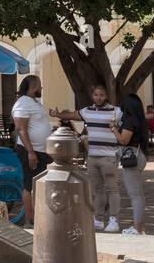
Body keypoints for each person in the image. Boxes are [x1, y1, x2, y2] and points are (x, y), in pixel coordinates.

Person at [52, 84, 121, 232]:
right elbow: (72, 115)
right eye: (96, 95)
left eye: (101, 95)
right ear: (92, 96)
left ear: (106, 96)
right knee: (97, 190)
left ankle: (114, 220)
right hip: (93, 157)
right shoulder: (87, 111)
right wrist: (58, 115)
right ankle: (98, 219)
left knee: (112, 189)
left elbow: (131, 118)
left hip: (109, 157)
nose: (98, 97)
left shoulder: (116, 111)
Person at [11, 75, 52, 227]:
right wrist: (30, 152)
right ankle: (31, 220)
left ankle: (42, 217)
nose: (41, 88)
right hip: (31, 151)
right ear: (34, 86)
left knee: (42, 184)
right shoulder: (23, 103)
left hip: (42, 151)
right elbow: (21, 129)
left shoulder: (33, 103)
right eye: (39, 85)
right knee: (29, 185)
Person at [112, 92, 150, 236]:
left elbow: (123, 140)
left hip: (131, 157)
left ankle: (136, 228)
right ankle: (141, 226)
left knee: (135, 195)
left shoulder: (129, 120)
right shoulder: (140, 120)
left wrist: (113, 128)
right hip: (140, 156)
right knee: (139, 194)